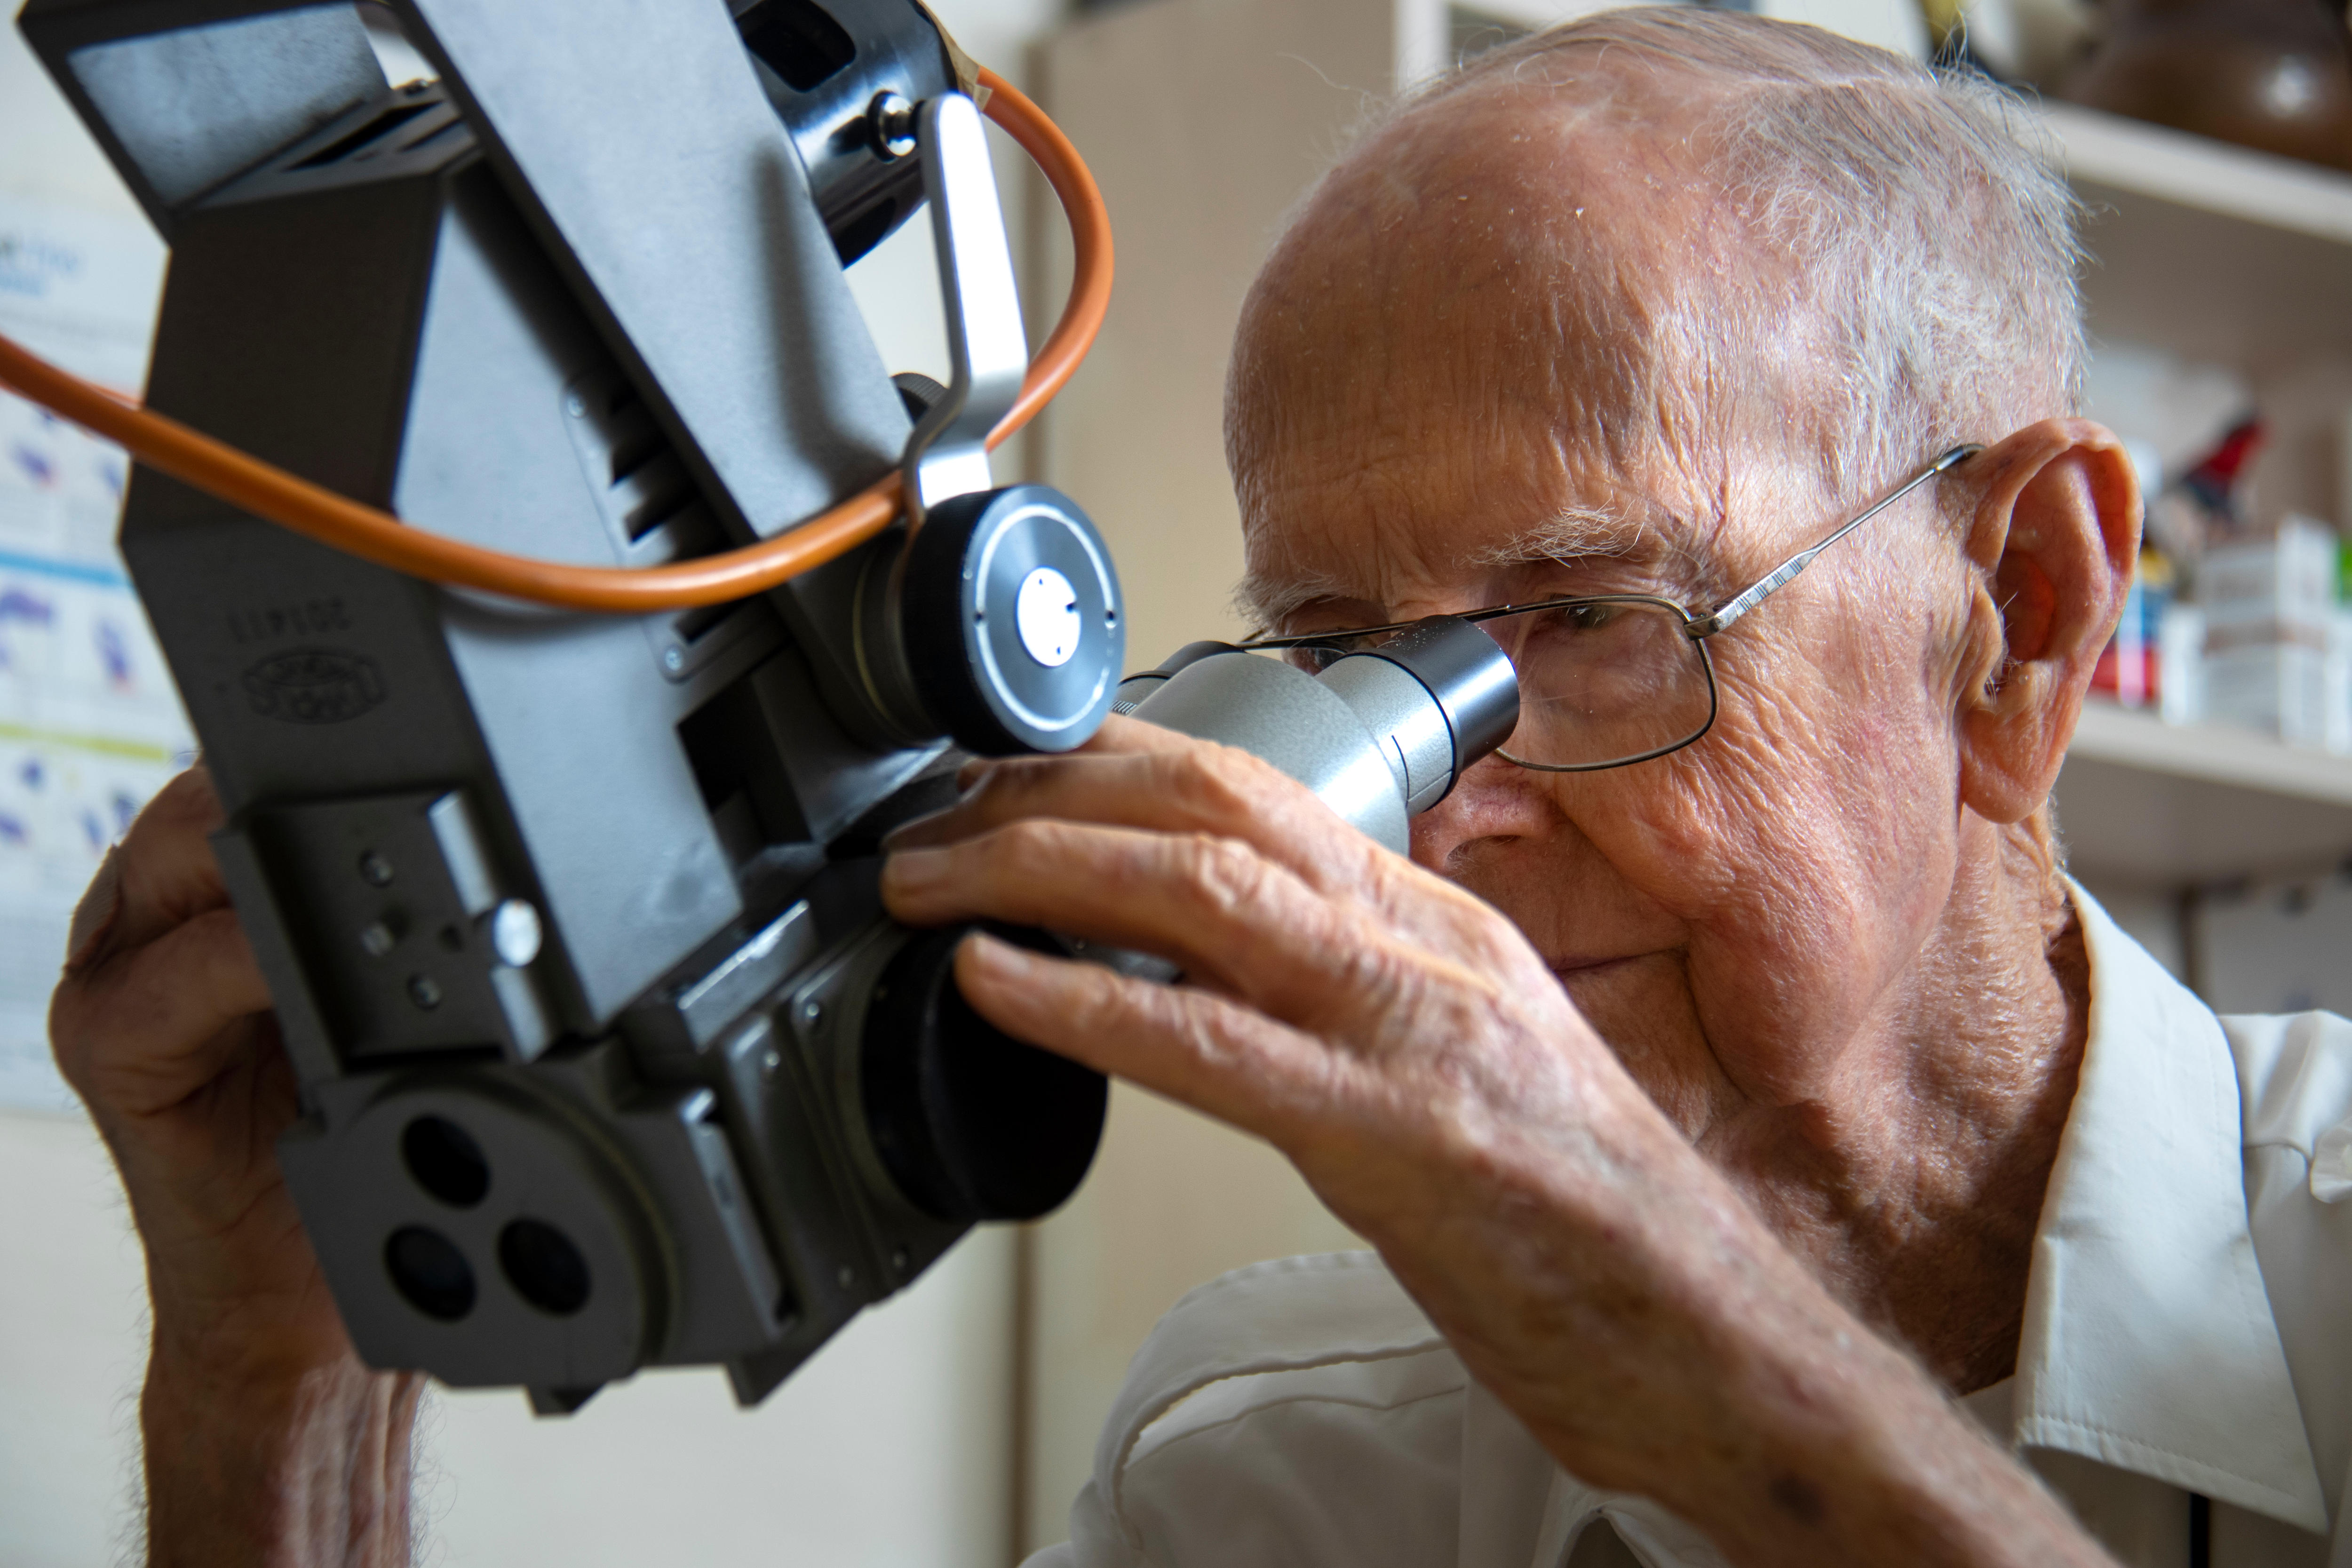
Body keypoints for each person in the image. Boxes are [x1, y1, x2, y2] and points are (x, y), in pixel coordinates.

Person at [47, 8, 2352, 1566]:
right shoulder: (1269, 1462)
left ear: (2021, 618)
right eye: (1338, 660)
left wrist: (1757, 1432)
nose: (1430, 819)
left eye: (1579, 615)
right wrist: (287, 1389)